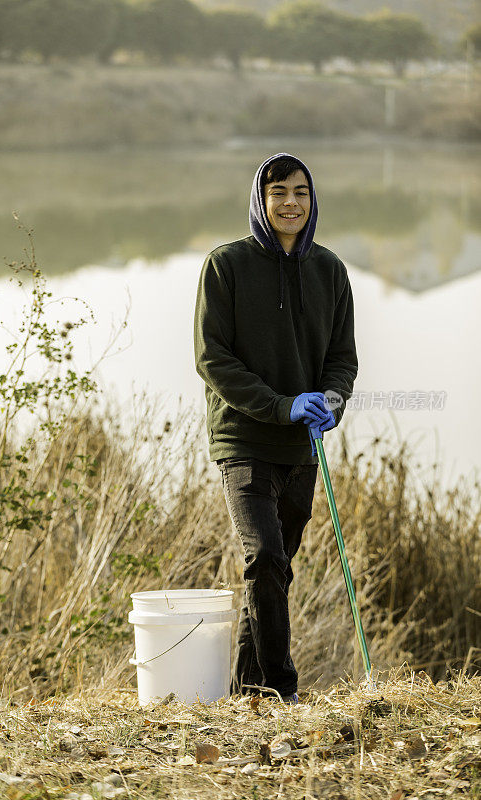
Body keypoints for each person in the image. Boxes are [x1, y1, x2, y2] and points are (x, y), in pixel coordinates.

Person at [193, 153, 358, 703]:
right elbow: (212, 358)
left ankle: (247, 690)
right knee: (263, 554)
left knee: (275, 571)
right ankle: (282, 691)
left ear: (312, 202)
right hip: (242, 438)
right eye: (279, 192)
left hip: (301, 448)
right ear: (260, 201)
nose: (291, 203)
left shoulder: (330, 270)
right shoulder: (226, 265)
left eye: (301, 193)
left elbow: (342, 358)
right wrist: (280, 405)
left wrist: (329, 402)